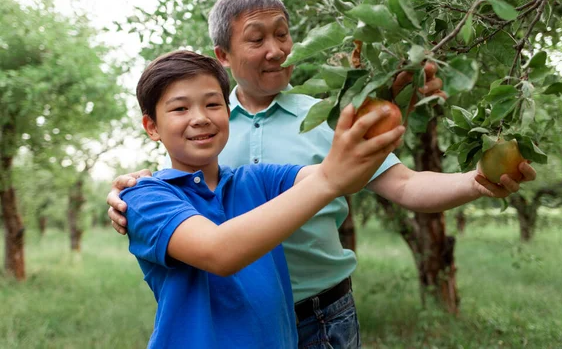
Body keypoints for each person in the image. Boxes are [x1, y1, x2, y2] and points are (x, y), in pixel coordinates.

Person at [108, 0, 536, 348]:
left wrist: (472, 179)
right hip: (225, 316)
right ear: (224, 54)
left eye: (283, 34)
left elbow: (393, 182)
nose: (275, 50)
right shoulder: (203, 137)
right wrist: (139, 187)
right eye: (256, 40)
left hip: (321, 312)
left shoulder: (327, 118)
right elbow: (201, 219)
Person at [122, 49, 403, 348]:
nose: (200, 118)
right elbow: (218, 252)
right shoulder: (145, 197)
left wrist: (387, 102)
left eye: (213, 104)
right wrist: (329, 179)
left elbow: (348, 172)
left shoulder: (257, 180)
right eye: (180, 109)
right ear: (152, 127)